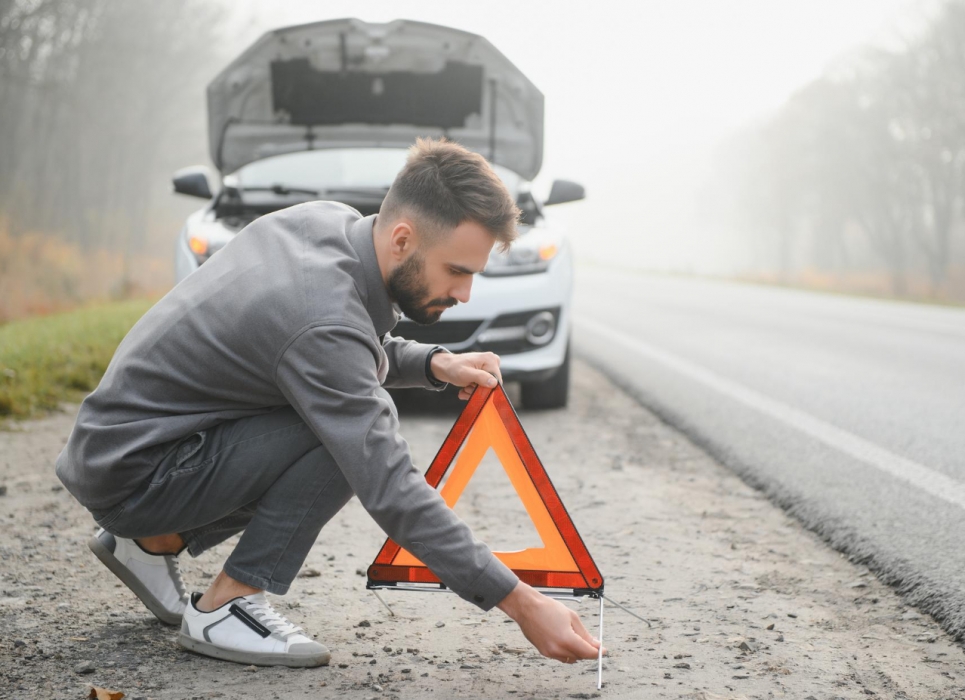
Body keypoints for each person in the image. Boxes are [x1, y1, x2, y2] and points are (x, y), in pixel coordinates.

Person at [55, 138, 601, 668]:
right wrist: (522, 602)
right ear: (404, 239)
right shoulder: (323, 319)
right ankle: (225, 606)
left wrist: (434, 362)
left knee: (336, 418)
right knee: (345, 444)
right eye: (457, 271)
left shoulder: (326, 224)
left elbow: (331, 342)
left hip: (124, 449)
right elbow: (387, 480)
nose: (464, 295)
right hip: (138, 475)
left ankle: (154, 543)